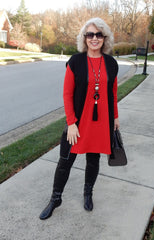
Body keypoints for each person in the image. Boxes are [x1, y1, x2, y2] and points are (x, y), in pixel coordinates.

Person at [39, 17, 120, 220]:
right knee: (65, 161)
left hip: (101, 123)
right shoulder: (75, 62)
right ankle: (55, 198)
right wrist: (71, 123)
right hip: (78, 123)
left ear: (104, 38)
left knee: (93, 160)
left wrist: (116, 117)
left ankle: (88, 193)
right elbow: (67, 94)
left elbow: (113, 93)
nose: (94, 38)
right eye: (90, 34)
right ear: (84, 38)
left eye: (98, 34)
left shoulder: (111, 63)